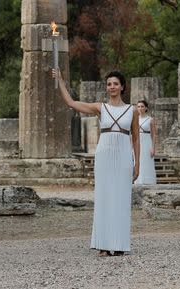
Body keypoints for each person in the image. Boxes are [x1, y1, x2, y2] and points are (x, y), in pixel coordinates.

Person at [52, 69, 140, 256]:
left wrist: (137, 163)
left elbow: (136, 139)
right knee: (104, 197)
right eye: (109, 84)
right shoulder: (101, 108)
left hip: (124, 156)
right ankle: (103, 243)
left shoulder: (132, 110)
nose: (112, 87)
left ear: (122, 86)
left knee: (122, 198)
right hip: (104, 155)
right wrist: (60, 80)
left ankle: (119, 244)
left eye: (116, 83)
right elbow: (71, 103)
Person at [135, 100, 157, 185]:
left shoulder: (150, 119)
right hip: (137, 142)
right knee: (138, 161)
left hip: (147, 142)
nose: (140, 108)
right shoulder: (135, 119)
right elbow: (132, 134)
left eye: (142, 106)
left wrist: (153, 148)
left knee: (147, 162)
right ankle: (138, 181)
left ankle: (148, 181)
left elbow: (154, 135)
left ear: (146, 108)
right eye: (138, 106)